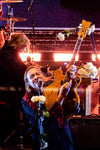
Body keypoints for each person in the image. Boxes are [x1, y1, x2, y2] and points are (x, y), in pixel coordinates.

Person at [22, 65, 74, 150]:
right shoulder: (26, 100)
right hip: (44, 140)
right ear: (28, 82)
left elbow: (69, 105)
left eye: (37, 74)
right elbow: (44, 120)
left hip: (62, 137)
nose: (36, 77)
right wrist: (60, 98)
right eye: (32, 76)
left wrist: (72, 77)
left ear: (42, 76)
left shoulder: (52, 89)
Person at [0, 32, 30, 141]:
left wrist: (29, 69)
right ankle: (25, 126)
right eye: (24, 46)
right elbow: (16, 72)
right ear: (19, 44)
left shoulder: (10, 52)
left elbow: (20, 67)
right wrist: (28, 70)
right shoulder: (6, 54)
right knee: (29, 98)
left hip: (10, 85)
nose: (25, 48)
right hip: (6, 89)